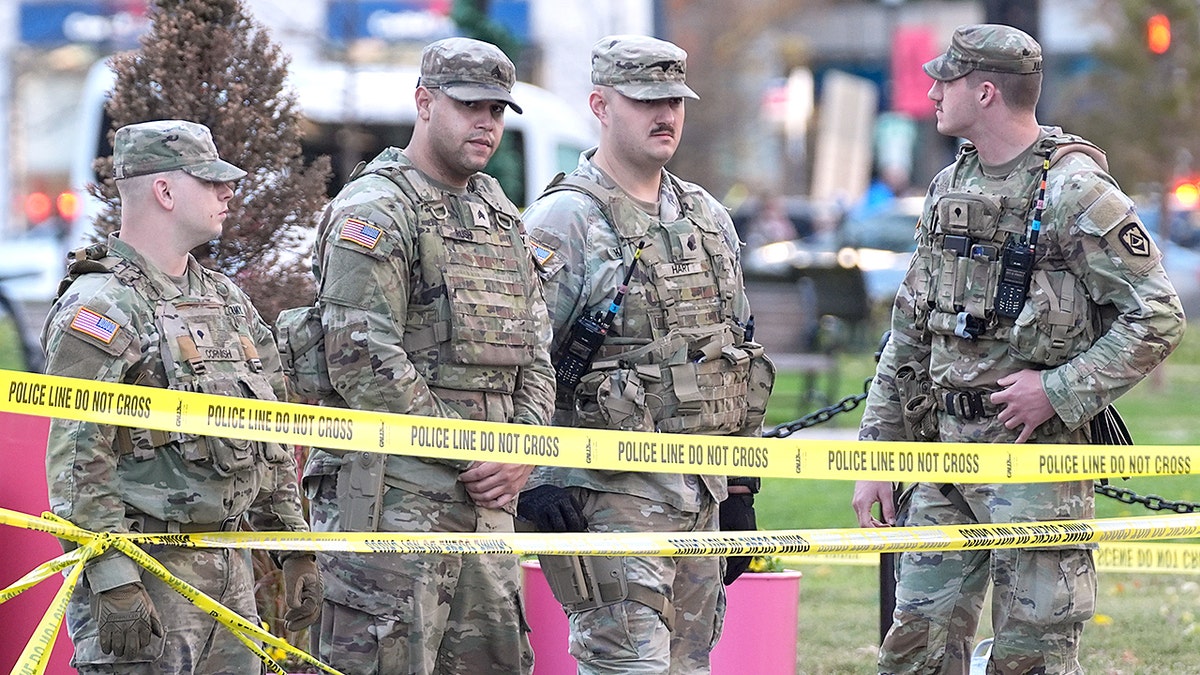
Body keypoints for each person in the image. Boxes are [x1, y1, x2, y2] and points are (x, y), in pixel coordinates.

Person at [850, 24, 1185, 674]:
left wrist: (1055, 390)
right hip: (944, 460)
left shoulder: (1075, 192)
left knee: (1030, 657)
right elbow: (911, 328)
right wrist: (877, 453)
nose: (931, 89)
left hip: (1036, 471)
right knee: (914, 651)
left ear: (983, 92)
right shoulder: (950, 186)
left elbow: (1158, 316)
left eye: (944, 79)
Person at [517, 34, 774, 674]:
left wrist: (740, 488)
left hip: (700, 499)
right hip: (606, 504)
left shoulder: (707, 218)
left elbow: (736, 357)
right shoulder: (563, 221)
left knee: (687, 667)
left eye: (674, 100)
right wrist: (536, 482)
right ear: (601, 105)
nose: (665, 114)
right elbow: (521, 363)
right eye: (645, 99)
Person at [301, 37, 555, 675]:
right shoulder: (378, 208)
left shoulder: (497, 214)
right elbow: (362, 357)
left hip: (485, 509)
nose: (486, 123)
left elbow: (536, 349)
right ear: (424, 102)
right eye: (470, 105)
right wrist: (475, 448)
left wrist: (524, 448)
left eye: (497, 111)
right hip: (393, 506)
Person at [42, 119, 320, 673]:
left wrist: (294, 545)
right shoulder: (104, 306)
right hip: (147, 577)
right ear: (165, 191)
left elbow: (269, 435)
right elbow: (77, 459)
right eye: (210, 181)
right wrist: (114, 579)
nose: (227, 192)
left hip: (229, 576)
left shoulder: (226, 302)